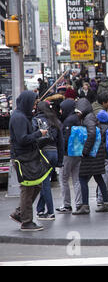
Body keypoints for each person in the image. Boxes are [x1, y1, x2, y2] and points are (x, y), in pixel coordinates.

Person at [9, 91, 48, 231]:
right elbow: (22, 139)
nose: (34, 106)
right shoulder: (19, 117)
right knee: (27, 188)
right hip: (23, 158)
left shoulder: (23, 116)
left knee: (36, 185)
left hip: (29, 156)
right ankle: (26, 221)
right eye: (32, 103)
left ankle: (20, 213)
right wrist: (39, 134)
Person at [72, 98, 108, 215]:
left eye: (78, 110)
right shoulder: (91, 117)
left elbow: (92, 133)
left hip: (91, 154)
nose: (77, 113)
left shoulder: (88, 119)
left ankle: (85, 206)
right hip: (97, 153)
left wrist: (85, 150)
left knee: (82, 178)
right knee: (98, 177)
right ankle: (106, 202)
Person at [32, 101, 64, 221]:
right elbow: (61, 142)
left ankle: (50, 212)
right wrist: (60, 161)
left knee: (45, 184)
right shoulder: (55, 121)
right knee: (45, 182)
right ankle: (40, 210)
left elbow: (33, 138)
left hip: (43, 153)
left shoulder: (35, 121)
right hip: (54, 153)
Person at [56, 99, 82, 213]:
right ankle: (79, 203)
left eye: (62, 109)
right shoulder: (77, 118)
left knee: (63, 179)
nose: (60, 111)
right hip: (77, 152)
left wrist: (61, 153)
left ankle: (66, 205)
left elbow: (65, 139)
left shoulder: (68, 121)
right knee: (77, 179)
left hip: (67, 154)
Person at [96, 109, 108, 207]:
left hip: (98, 155)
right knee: (105, 178)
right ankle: (102, 198)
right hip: (105, 156)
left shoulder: (96, 128)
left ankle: (99, 197)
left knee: (100, 177)